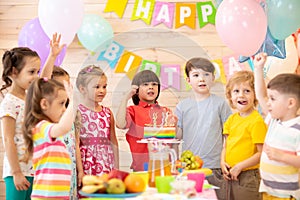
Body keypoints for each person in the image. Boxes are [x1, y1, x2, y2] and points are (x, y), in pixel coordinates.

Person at [174, 57, 232, 200]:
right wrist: (171, 125)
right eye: (196, 75)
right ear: (188, 81)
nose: (202, 79)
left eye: (206, 74)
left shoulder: (220, 104)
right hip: (189, 168)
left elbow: (229, 135)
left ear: (213, 78)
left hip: (215, 167)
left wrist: (226, 160)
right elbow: (178, 136)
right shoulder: (182, 106)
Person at [253, 53, 300, 200]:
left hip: (287, 195)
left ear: (290, 103)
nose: (268, 103)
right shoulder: (274, 120)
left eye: (273, 99)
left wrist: (281, 156)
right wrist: (258, 69)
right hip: (268, 191)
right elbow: (260, 95)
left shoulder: (297, 130)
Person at [22, 78, 74, 199]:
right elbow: (64, 127)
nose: (64, 109)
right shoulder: (41, 128)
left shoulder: (49, 130)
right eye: (61, 103)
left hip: (58, 195)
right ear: (44, 104)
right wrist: (73, 103)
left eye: (66, 104)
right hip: (46, 196)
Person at [116, 69, 176, 171]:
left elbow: (173, 141)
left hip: (165, 169)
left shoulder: (166, 112)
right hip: (141, 170)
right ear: (136, 90)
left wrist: (175, 163)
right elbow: (120, 124)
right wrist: (125, 98)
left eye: (154, 84)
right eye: (145, 84)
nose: (151, 87)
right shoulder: (133, 110)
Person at [0, 47, 40, 200]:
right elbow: (8, 139)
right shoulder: (9, 103)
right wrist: (16, 172)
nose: (36, 76)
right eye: (31, 72)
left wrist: (53, 55)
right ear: (14, 72)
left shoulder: (30, 98)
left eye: (37, 71)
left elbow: (46, 78)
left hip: (33, 169)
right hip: (17, 171)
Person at [221, 70, 267, 200]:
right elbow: (226, 146)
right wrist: (222, 162)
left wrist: (240, 166)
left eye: (247, 91)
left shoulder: (256, 121)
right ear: (230, 96)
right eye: (236, 91)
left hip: (248, 176)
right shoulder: (231, 119)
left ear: (255, 95)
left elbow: (261, 154)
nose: (241, 95)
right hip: (230, 174)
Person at [76, 65, 119, 176]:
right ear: (82, 89)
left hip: (106, 162)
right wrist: (80, 171)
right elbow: (75, 143)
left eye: (104, 87)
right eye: (97, 87)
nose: (102, 91)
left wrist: (117, 168)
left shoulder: (108, 113)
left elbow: (113, 142)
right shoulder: (78, 112)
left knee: (106, 190)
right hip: (87, 163)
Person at [49, 66, 84, 199]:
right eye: (61, 85)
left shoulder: (73, 111)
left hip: (71, 170)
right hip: (55, 170)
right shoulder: (48, 113)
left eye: (67, 84)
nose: (67, 89)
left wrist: (80, 171)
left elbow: (76, 143)